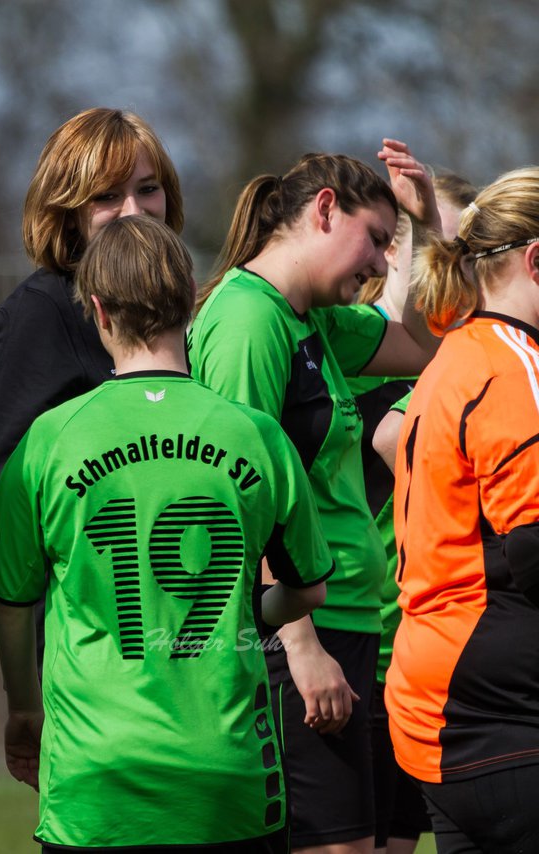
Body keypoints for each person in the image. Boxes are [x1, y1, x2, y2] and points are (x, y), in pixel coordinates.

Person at [0, 214, 331, 852]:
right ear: (192, 298)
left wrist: (25, 709)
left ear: (98, 309)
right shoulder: (254, 433)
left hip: (95, 781)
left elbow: (12, 600)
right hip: (229, 781)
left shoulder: (50, 439)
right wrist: (252, 614)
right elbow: (307, 591)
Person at [187, 141, 442, 854]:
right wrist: (298, 644)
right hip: (299, 636)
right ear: (325, 211)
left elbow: (424, 340)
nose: (383, 264)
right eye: (376, 240)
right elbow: (245, 494)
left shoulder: (312, 318)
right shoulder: (248, 320)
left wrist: (426, 227)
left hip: (348, 625)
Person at [388, 166, 539, 853]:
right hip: (499, 712)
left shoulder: (461, 350)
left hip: (437, 707)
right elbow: (533, 548)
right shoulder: (513, 367)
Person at [348, 171, 475, 854]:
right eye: (437, 243)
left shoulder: (460, 363)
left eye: (461, 244)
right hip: (359, 652)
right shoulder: (350, 351)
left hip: (429, 658)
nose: (454, 259)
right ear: (391, 250)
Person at [0, 107, 184, 497]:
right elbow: (15, 496)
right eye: (107, 195)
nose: (134, 211)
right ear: (67, 210)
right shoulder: (34, 316)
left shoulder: (166, 299)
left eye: (147, 189)